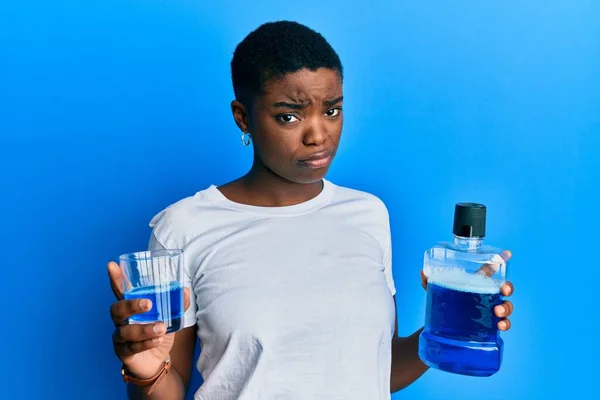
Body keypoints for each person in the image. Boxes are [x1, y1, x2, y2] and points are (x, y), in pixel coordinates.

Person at [107, 20, 515, 399]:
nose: (318, 135)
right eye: (289, 116)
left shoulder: (368, 214)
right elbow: (167, 388)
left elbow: (377, 368)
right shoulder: (184, 227)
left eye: (332, 110)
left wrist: (448, 328)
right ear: (243, 118)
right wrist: (145, 370)